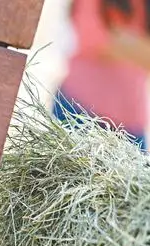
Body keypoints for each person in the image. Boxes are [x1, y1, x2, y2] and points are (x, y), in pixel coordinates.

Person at [54, 0, 150, 152]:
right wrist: (139, 48)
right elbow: (96, 38)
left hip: (131, 130)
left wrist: (124, 40)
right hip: (78, 114)